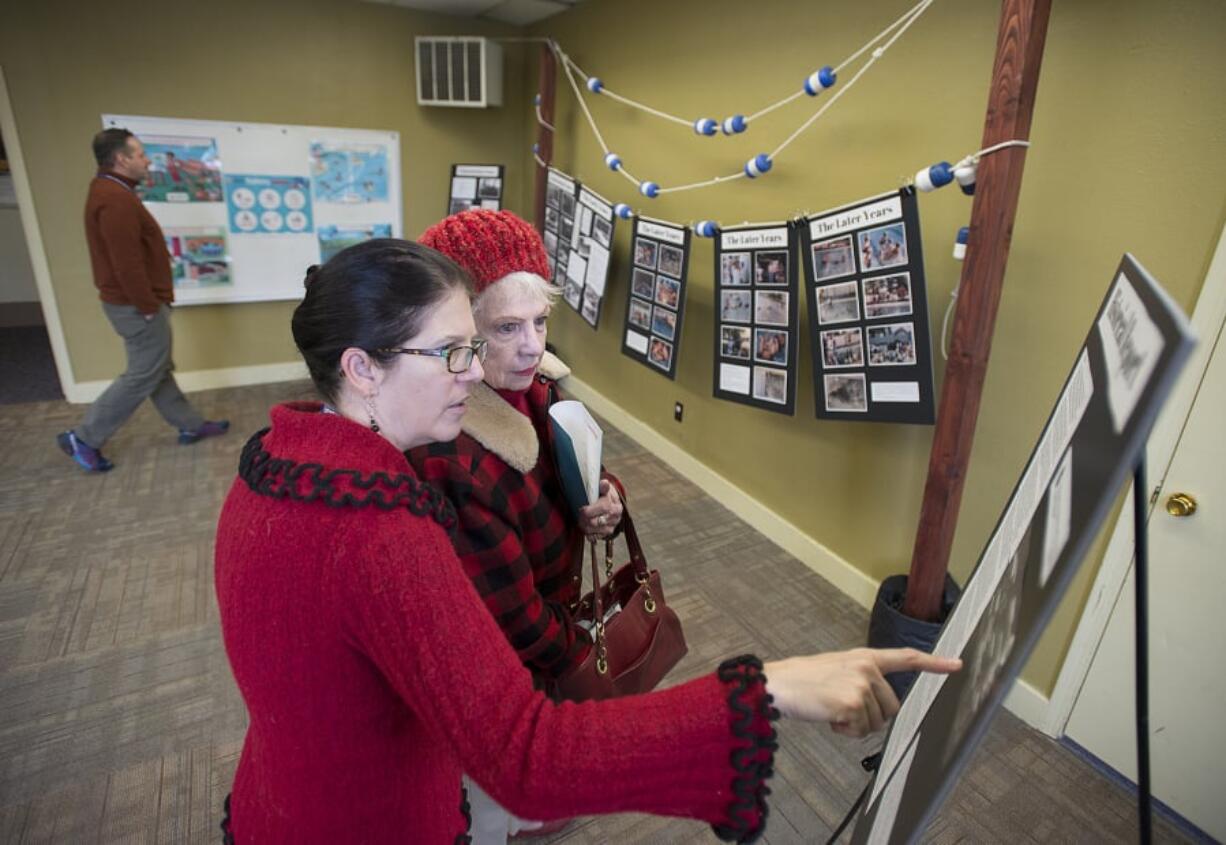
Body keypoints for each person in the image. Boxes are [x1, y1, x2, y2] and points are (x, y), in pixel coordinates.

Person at [213, 238, 960, 842]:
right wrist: (769, 687)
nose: (472, 372)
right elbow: (527, 755)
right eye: (451, 352)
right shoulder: (380, 529)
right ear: (361, 369)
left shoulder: (275, 464)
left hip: (284, 801)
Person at [413, 210, 624, 840]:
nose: (533, 345)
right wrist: (578, 660)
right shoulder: (448, 451)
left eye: (539, 321)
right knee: (494, 770)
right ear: (456, 332)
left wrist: (606, 500)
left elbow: (578, 469)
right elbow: (507, 614)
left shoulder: (543, 387)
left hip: (551, 605)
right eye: (506, 327)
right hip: (504, 651)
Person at [57, 128, 227, 472]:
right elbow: (126, 263)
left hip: (139, 303)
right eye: (140, 153)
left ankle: (190, 424)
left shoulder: (115, 192)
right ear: (121, 159)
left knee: (157, 368)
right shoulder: (114, 198)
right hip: (137, 306)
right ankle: (85, 437)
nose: (147, 159)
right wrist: (148, 307)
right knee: (142, 373)